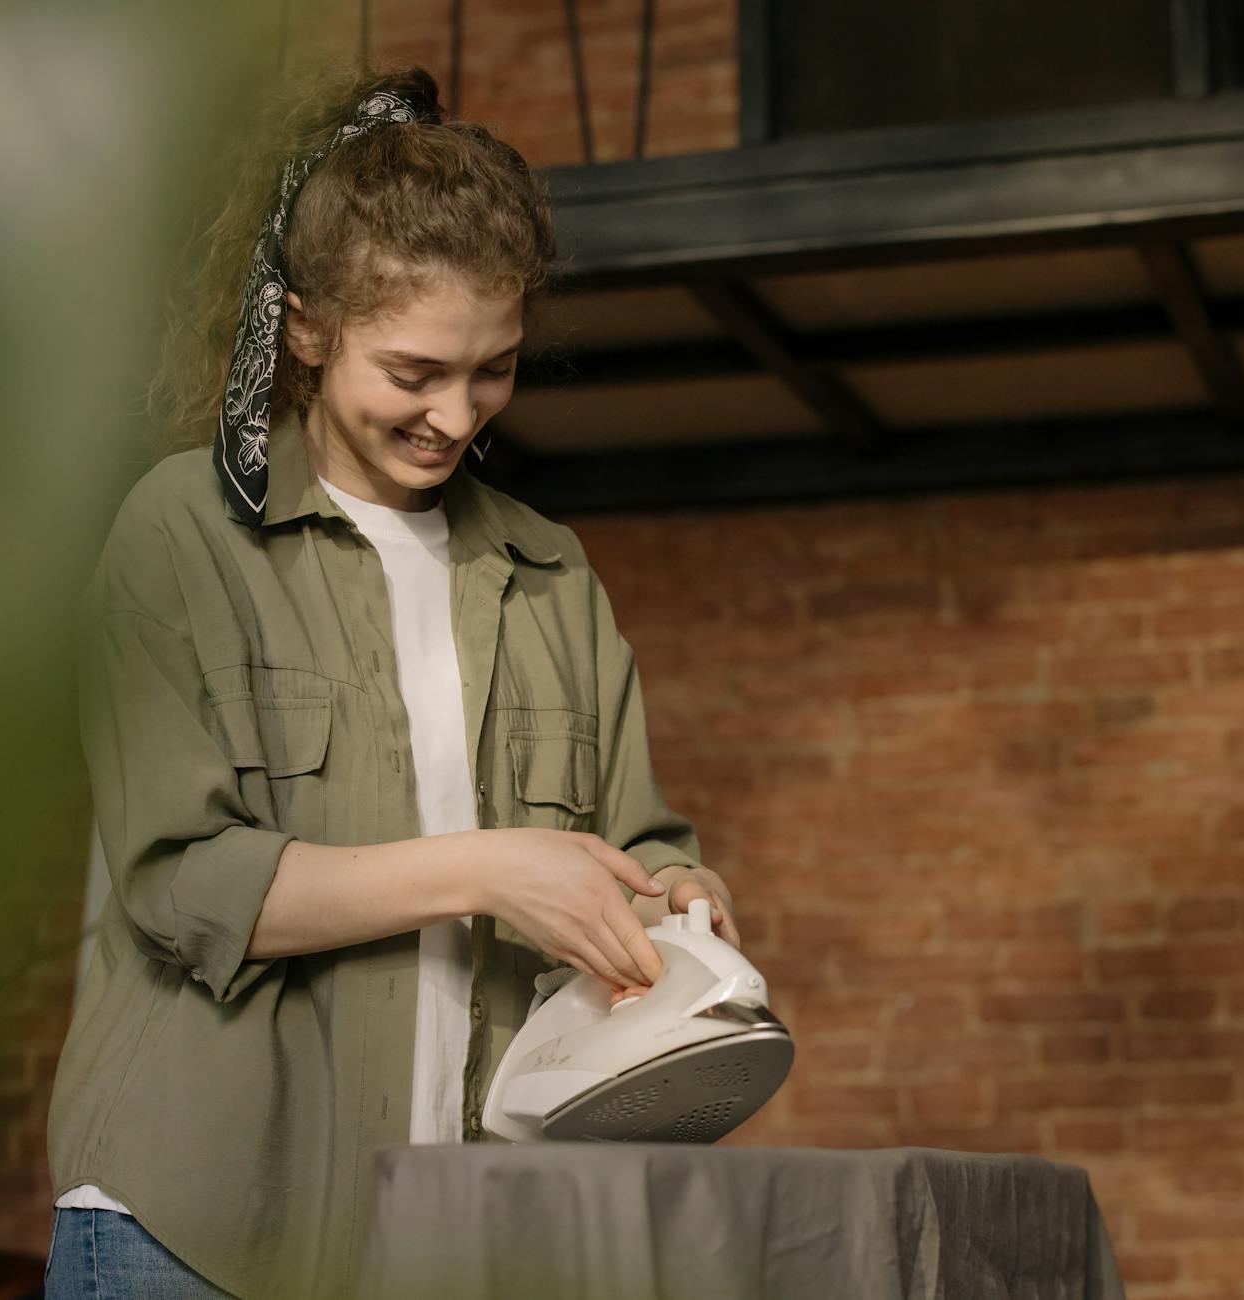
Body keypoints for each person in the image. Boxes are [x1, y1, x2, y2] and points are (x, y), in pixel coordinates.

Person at [44, 67, 740, 1300]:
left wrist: (675, 896)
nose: (455, 416)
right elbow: (181, 885)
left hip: (455, 1236)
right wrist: (489, 865)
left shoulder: (545, 569)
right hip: (197, 1225)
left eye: (494, 371)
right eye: (413, 372)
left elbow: (636, 839)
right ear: (306, 329)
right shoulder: (180, 533)